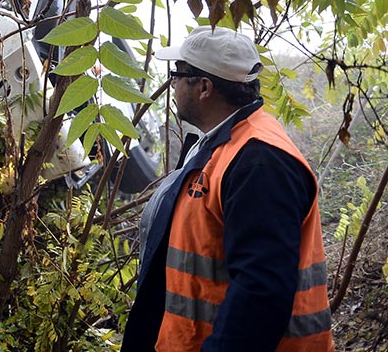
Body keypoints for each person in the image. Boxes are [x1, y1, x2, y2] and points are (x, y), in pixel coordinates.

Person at [122, 27, 333, 352]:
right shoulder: (220, 144)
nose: (172, 84)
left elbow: (260, 294)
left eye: (177, 74)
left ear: (204, 87)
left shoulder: (260, 163)